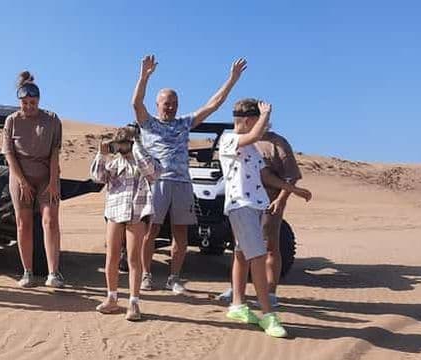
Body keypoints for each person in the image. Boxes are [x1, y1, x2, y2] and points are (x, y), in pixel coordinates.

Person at [132, 55, 248, 293]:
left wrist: (232, 79)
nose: (171, 106)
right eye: (167, 102)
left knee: (181, 233)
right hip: (157, 183)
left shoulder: (184, 123)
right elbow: (136, 103)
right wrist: (144, 76)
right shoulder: (148, 123)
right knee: (150, 231)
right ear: (158, 104)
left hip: (184, 184)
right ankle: (146, 275)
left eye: (174, 102)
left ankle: (174, 277)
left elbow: (212, 105)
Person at [218, 99, 310, 338]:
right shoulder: (230, 139)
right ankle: (268, 315)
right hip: (241, 205)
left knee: (241, 254)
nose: (265, 125)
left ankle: (237, 305)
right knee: (257, 256)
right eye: (261, 121)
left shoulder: (252, 148)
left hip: (257, 204)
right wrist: (265, 115)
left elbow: (265, 175)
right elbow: (253, 134)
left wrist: (293, 190)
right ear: (249, 120)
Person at [2, 71, 64, 288]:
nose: (29, 106)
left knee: (50, 221)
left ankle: (54, 273)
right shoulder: (12, 121)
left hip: (46, 175)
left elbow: (55, 151)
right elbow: (9, 153)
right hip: (21, 177)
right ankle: (27, 272)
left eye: (33, 102)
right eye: (25, 102)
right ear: (20, 102)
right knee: (23, 223)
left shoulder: (52, 120)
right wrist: (22, 181)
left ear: (39, 100)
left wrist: (54, 181)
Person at [90, 127, 158, 321]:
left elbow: (152, 173)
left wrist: (137, 148)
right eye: (118, 143)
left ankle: (134, 301)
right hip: (114, 211)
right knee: (111, 257)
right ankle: (111, 298)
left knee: (133, 259)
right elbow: (97, 177)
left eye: (125, 143)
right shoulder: (114, 163)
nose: (121, 147)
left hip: (137, 212)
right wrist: (101, 155)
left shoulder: (143, 160)